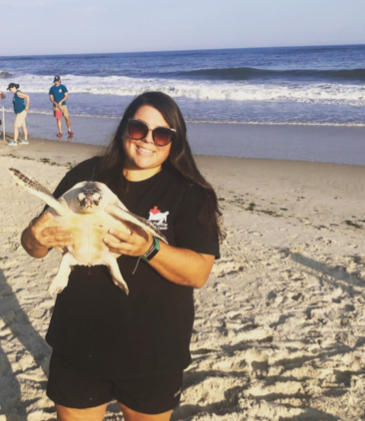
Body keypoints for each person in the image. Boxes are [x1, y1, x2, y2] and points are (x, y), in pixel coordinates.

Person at [20, 92, 222, 420]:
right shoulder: (86, 176)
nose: (148, 140)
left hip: (153, 352)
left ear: (175, 141)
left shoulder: (189, 193)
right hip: (78, 342)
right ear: (125, 129)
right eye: (139, 128)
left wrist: (149, 248)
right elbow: (35, 247)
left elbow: (198, 273)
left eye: (162, 134)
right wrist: (33, 237)